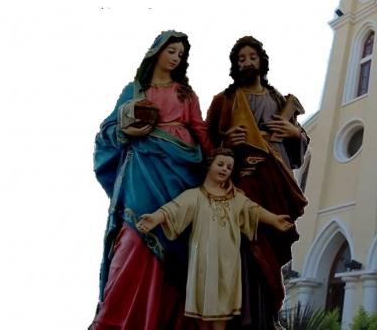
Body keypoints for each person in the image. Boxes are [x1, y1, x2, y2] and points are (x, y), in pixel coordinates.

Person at [92, 30, 213, 330]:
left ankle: (160, 320)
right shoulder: (134, 91)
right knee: (132, 239)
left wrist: (217, 164)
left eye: (180, 55)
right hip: (140, 173)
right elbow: (107, 131)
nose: (175, 58)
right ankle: (114, 321)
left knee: (173, 243)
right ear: (156, 51)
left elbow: (200, 131)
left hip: (179, 174)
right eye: (171, 51)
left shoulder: (186, 95)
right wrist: (126, 131)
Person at [205, 36, 309, 329]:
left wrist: (293, 133)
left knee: (270, 247)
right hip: (240, 183)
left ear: (261, 62)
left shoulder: (277, 100)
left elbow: (300, 146)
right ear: (235, 66)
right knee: (240, 246)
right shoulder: (223, 101)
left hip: (275, 183)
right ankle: (236, 316)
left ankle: (267, 316)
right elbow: (205, 144)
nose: (247, 63)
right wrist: (225, 140)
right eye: (241, 59)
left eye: (251, 57)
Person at [136, 148, 295, 330]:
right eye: (220, 164)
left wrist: (274, 219)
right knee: (202, 303)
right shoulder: (195, 195)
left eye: (229, 167)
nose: (224, 169)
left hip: (228, 263)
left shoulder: (235, 198)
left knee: (223, 306)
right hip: (202, 261)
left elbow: (253, 210)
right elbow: (173, 209)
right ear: (209, 165)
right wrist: (155, 218)